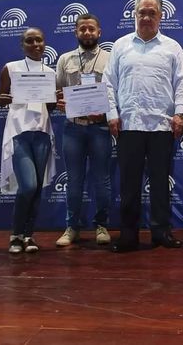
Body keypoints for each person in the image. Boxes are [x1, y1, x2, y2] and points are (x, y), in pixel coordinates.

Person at [104, 0, 183, 252]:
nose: (147, 17)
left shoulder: (172, 47)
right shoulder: (120, 46)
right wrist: (111, 114)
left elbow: (181, 83)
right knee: (129, 185)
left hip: (162, 126)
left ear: (161, 16)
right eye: (142, 12)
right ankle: (128, 235)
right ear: (135, 15)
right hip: (128, 125)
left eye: (152, 13)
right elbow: (109, 83)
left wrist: (180, 113)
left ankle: (161, 232)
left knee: (160, 183)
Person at [0, 27, 56, 254]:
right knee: (28, 185)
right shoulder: (11, 68)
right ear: (22, 45)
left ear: (44, 43)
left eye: (39, 40)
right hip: (19, 132)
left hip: (42, 132)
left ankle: (28, 236)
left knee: (37, 187)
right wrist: (2, 99)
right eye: (29, 41)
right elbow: (0, 98)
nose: (35, 44)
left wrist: (56, 99)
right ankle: (15, 235)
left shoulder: (50, 72)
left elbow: (50, 106)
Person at [55, 13, 112, 247]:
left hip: (100, 127)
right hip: (73, 128)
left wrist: (105, 114)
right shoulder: (65, 59)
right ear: (76, 32)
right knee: (74, 180)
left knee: (102, 180)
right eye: (82, 29)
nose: (87, 33)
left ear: (99, 32)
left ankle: (102, 225)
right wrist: (60, 102)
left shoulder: (110, 58)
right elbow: (58, 91)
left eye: (91, 29)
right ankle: (72, 227)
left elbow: (115, 93)